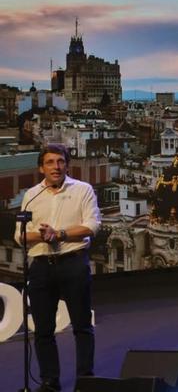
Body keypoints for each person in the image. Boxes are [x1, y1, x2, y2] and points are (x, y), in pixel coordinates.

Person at [16, 145, 100, 392]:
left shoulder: (83, 190)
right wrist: (44, 237)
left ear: (67, 164)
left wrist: (59, 234)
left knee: (82, 326)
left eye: (60, 161)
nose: (56, 166)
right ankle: (49, 381)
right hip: (41, 267)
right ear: (41, 167)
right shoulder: (31, 195)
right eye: (50, 162)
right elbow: (20, 235)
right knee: (43, 330)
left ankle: (85, 379)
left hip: (73, 263)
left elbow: (92, 226)